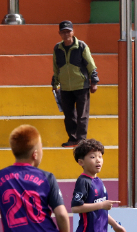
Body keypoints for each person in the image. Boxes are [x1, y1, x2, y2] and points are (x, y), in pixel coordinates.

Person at [52, 20, 99, 148]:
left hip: (81, 86)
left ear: (73, 32)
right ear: (59, 33)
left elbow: (91, 64)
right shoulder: (57, 48)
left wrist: (94, 81)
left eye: (68, 31)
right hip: (66, 87)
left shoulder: (82, 46)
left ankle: (81, 140)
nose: (66, 34)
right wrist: (55, 83)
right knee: (69, 115)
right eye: (63, 32)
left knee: (82, 114)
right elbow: (56, 67)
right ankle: (72, 139)